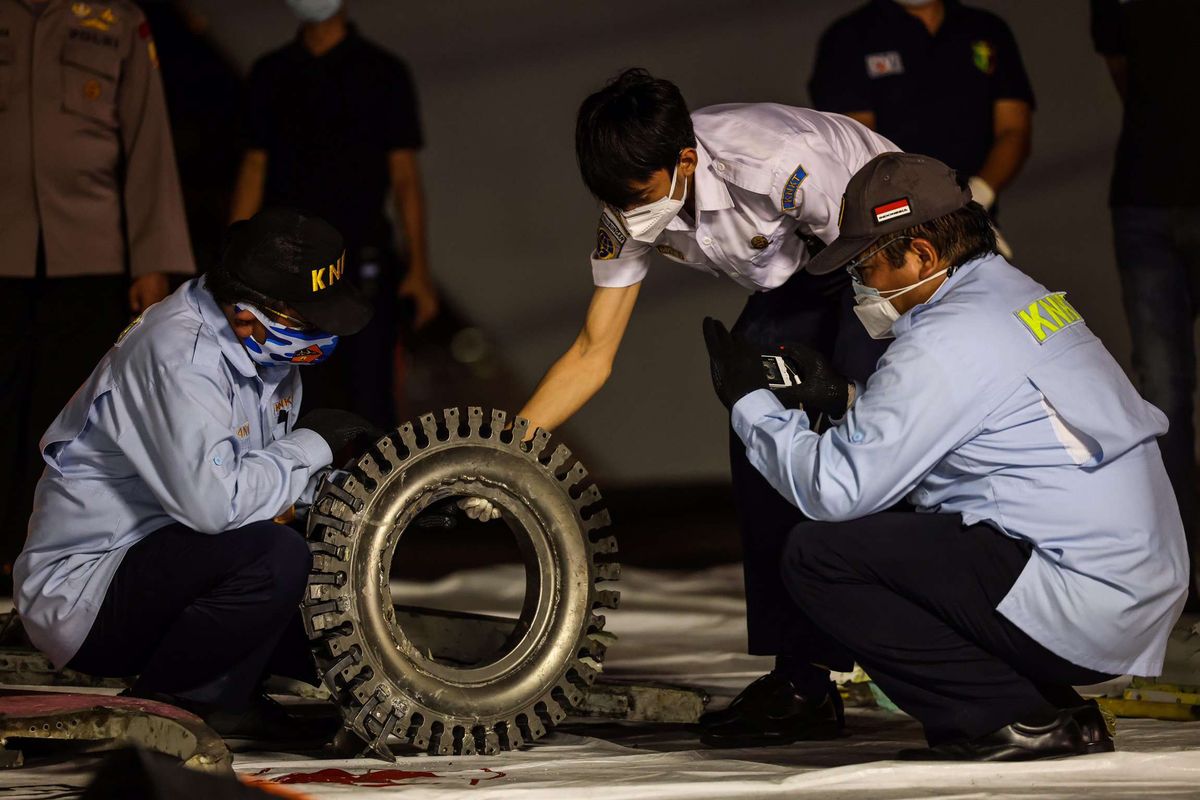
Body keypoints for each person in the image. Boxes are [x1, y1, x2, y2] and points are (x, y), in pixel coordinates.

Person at [702, 152, 1187, 760]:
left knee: (820, 556)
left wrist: (751, 405)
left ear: (923, 256)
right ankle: (1051, 708)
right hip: (1125, 582)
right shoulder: (1015, 296)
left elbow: (834, 491)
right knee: (918, 528)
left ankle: (1003, 719)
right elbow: (969, 425)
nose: (860, 285)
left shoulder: (945, 339)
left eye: (865, 266)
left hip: (1083, 595)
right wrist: (843, 395)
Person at [464, 68, 899, 746]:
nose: (627, 214)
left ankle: (933, 643)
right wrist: (507, 447)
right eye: (615, 199)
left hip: (876, 242)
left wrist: (855, 385)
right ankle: (803, 680)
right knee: (754, 417)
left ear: (686, 161)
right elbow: (591, 352)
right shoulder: (629, 202)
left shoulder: (774, 161)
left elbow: (875, 257)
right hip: (795, 272)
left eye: (638, 197)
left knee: (880, 430)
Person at [14, 208, 378, 740]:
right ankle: (172, 706)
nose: (321, 333)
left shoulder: (268, 355)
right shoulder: (178, 355)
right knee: (276, 559)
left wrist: (363, 495)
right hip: (88, 593)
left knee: (327, 577)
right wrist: (315, 442)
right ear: (252, 310)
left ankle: (230, 693)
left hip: (168, 557)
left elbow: (265, 484)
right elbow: (216, 507)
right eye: (311, 319)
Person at [0, 0, 195, 588]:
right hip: (4, 249)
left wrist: (154, 258)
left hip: (92, 251)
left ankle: (50, 561)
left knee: (68, 418)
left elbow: (148, 139)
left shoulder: (117, 19)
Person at [230, 0, 434, 430]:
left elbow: (405, 179)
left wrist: (419, 268)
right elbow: (254, 166)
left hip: (360, 260)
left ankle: (375, 496)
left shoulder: (383, 72)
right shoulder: (271, 72)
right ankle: (297, 494)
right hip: (284, 268)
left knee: (369, 395)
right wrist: (234, 267)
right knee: (288, 396)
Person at [1091, 0, 1200, 607]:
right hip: (1146, 195)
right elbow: (1126, 75)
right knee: (1163, 390)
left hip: (1155, 193)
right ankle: (1182, 570)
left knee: (1166, 388)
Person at [809, 0, 1033, 246]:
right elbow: (856, 145)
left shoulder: (987, 29)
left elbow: (1014, 129)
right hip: (891, 227)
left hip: (975, 219)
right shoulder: (848, 37)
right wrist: (924, 213)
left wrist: (976, 196)